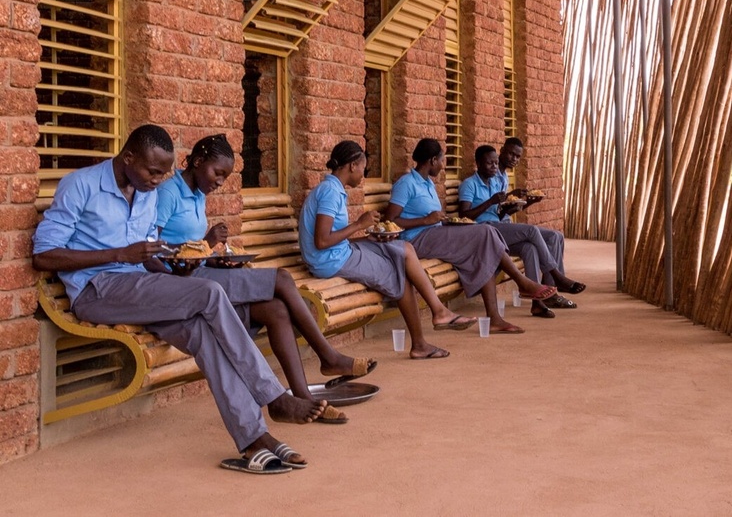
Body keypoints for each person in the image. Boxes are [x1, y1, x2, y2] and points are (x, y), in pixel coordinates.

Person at [33, 125, 320, 474]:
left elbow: (147, 254)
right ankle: (274, 397)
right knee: (212, 293)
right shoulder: (81, 186)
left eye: (162, 173)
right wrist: (121, 254)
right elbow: (44, 255)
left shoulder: (146, 193)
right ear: (128, 157)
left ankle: (253, 440)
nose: (157, 180)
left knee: (201, 331)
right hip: (96, 290)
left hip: (141, 286)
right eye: (151, 171)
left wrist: (180, 271)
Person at [154, 133, 372, 421]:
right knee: (281, 279)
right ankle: (328, 357)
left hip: (203, 273)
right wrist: (203, 246)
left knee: (278, 310)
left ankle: (304, 399)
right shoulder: (169, 193)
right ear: (197, 161)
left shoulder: (196, 195)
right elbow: (152, 247)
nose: (220, 182)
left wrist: (213, 254)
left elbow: (191, 248)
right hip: (184, 283)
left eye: (225, 176)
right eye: (217, 173)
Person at [299, 140, 472, 359]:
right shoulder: (331, 193)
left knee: (403, 248)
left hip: (337, 252)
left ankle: (439, 312)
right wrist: (358, 225)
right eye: (363, 167)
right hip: (330, 260)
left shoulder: (332, 188)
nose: (363, 173)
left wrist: (367, 235)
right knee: (399, 273)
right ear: (352, 165)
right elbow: (322, 241)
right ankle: (420, 343)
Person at [385, 138, 557, 334]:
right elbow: (390, 220)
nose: (443, 166)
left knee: (484, 247)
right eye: (442, 160)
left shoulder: (427, 183)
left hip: (435, 232)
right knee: (485, 231)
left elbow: (431, 217)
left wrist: (442, 220)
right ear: (432, 160)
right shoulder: (406, 183)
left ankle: (495, 319)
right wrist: (425, 220)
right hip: (417, 239)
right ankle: (522, 282)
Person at [459, 138, 584, 318]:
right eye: (490, 163)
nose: (494, 167)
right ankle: (556, 276)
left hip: (501, 227)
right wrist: (491, 201)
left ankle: (539, 302)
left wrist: (523, 204)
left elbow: (501, 213)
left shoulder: (495, 181)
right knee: (531, 230)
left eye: (495, 163)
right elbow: (465, 215)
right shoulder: (470, 184)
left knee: (537, 244)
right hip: (485, 231)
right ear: (478, 163)